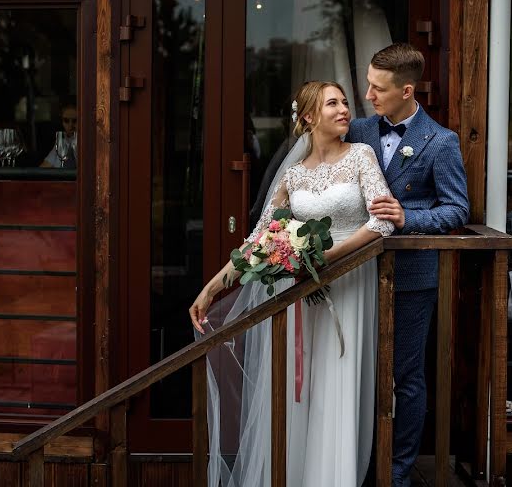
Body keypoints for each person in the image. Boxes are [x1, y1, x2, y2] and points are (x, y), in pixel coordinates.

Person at [188, 80, 395, 487]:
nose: (343, 110)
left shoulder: (361, 157)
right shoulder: (294, 177)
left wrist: (324, 260)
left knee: (338, 384)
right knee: (301, 390)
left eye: (344, 102)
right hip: (301, 293)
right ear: (308, 118)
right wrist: (211, 288)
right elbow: (260, 242)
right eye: (331, 103)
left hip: (351, 287)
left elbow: (381, 221)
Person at [346, 43, 469, 487]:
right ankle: (352, 462)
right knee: (354, 371)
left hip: (412, 279)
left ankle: (397, 471)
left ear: (407, 90)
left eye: (378, 88)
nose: (369, 95)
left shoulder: (441, 142)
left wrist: (408, 217)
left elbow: (457, 210)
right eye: (369, 85)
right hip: (351, 274)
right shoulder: (357, 130)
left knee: (406, 375)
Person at [40, 102, 78, 168]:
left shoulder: (86, 141)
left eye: (75, 121)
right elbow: (45, 166)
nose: (70, 125)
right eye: (66, 120)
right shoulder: (62, 140)